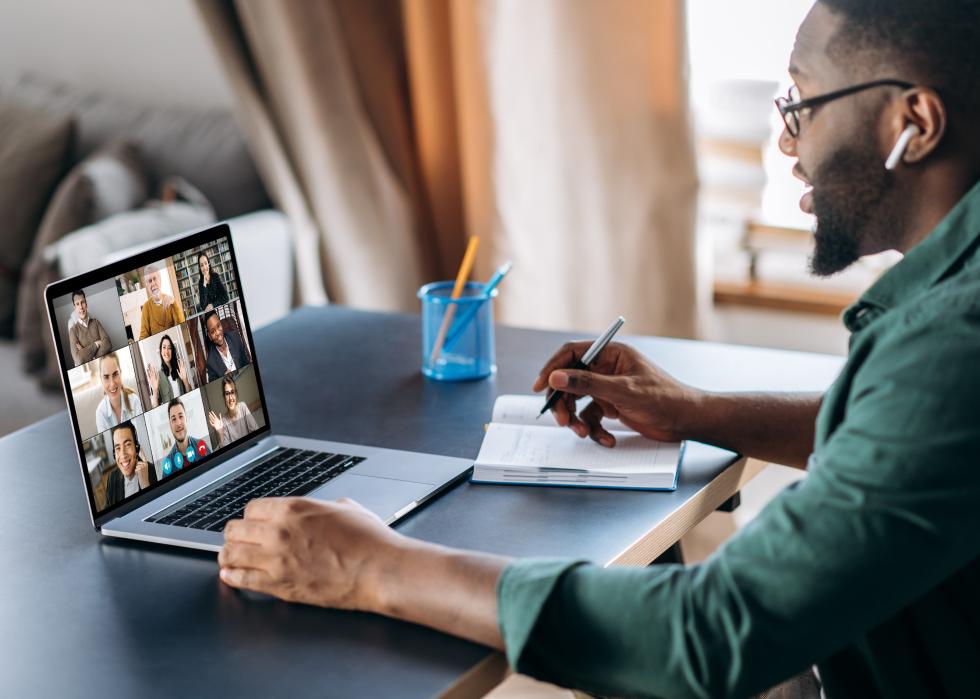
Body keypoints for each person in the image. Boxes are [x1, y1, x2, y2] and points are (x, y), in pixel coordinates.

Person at [218, 2, 980, 697]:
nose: (786, 137)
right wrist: (693, 411)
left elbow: (712, 631)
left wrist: (375, 566)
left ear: (914, 121)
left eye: (802, 102)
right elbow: (909, 440)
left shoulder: (951, 343)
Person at [104, 421, 156, 508]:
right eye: (118, 448)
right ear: (114, 454)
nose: (123, 455)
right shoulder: (112, 478)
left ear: (137, 448)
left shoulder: (153, 471)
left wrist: (145, 486)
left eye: (127, 445)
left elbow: (158, 508)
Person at [94, 352, 143, 434]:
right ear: (101, 379)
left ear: (120, 372)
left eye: (115, 374)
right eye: (106, 377)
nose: (112, 384)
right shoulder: (100, 413)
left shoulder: (134, 401)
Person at [138, 262, 185, 340]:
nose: (153, 283)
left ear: (160, 280)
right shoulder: (146, 307)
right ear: (147, 285)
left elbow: (182, 324)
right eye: (149, 281)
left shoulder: (171, 301)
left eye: (155, 278)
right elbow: (143, 335)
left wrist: (174, 303)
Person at [208, 375, 258, 447]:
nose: (230, 398)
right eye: (227, 394)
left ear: (236, 394)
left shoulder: (243, 407)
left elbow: (255, 431)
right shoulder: (223, 421)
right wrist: (221, 433)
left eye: (232, 392)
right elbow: (227, 451)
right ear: (224, 397)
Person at [67, 289, 112, 367]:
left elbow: (108, 344)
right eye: (77, 304)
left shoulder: (96, 322)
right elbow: (79, 359)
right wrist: (97, 344)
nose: (81, 307)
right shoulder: (73, 331)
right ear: (75, 307)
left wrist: (87, 353)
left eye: (82, 302)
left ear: (86, 303)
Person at [203, 311, 249, 382]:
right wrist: (224, 379)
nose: (218, 333)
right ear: (209, 336)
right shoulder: (211, 363)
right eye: (212, 331)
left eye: (218, 326)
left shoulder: (235, 337)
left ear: (221, 325)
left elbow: (246, 363)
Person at [164, 398, 211, 468]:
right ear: (170, 425)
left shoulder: (201, 446)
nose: (178, 423)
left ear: (186, 419)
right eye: (174, 419)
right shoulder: (168, 463)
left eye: (181, 416)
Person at [146, 334, 189, 408]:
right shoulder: (158, 376)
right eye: (164, 347)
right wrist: (155, 390)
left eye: (169, 348)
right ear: (160, 351)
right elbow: (155, 407)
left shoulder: (179, 370)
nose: (166, 351)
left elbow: (189, 394)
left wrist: (185, 380)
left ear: (172, 351)